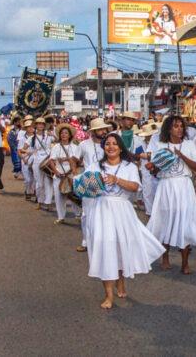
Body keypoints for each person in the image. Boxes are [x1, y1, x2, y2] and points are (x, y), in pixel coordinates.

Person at [80, 133, 165, 309]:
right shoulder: (95, 165)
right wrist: (87, 185)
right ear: (104, 148)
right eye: (107, 144)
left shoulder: (129, 166)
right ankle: (108, 295)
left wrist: (116, 179)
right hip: (101, 210)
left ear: (120, 147)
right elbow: (84, 187)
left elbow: (135, 187)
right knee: (105, 248)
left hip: (122, 210)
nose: (110, 147)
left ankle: (121, 281)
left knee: (119, 247)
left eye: (114, 144)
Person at [146, 115, 196, 274]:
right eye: (175, 126)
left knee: (185, 224)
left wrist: (181, 156)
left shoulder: (189, 144)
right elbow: (154, 172)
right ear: (168, 129)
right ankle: (165, 258)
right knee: (165, 222)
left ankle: (185, 263)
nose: (179, 129)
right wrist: (162, 160)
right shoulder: (160, 145)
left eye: (181, 126)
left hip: (184, 187)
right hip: (166, 186)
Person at [76, 118, 110, 252]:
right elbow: (74, 159)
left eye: (104, 129)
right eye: (100, 129)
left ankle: (104, 241)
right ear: (94, 131)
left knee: (106, 213)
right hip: (89, 182)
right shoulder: (84, 144)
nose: (103, 132)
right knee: (86, 214)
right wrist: (75, 174)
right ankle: (85, 241)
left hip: (107, 182)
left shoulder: (109, 143)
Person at [50, 122, 81, 225]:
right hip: (59, 175)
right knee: (58, 197)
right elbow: (51, 161)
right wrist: (56, 172)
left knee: (73, 195)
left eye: (66, 133)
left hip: (71, 174)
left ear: (69, 135)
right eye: (62, 133)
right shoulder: (56, 147)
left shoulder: (75, 147)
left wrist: (68, 159)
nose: (64, 135)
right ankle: (61, 217)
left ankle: (78, 214)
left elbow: (78, 161)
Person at [29, 118, 54, 210]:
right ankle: (40, 201)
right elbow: (24, 149)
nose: (40, 125)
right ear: (36, 125)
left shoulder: (48, 135)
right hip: (37, 162)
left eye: (42, 124)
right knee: (39, 183)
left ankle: (48, 202)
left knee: (48, 182)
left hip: (47, 161)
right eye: (38, 124)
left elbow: (59, 142)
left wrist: (53, 136)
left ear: (44, 126)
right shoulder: (32, 138)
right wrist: (30, 152)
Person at [133, 123, 158, 215]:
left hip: (156, 170)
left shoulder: (157, 143)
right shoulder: (140, 144)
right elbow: (138, 156)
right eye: (147, 136)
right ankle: (149, 212)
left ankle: (156, 211)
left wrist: (148, 156)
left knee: (157, 191)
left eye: (150, 135)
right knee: (147, 191)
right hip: (145, 170)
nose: (149, 137)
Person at [17, 119, 35, 200]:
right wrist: (23, 159)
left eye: (32, 127)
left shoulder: (36, 137)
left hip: (34, 158)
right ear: (26, 128)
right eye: (29, 127)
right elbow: (19, 151)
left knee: (34, 178)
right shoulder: (22, 138)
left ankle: (33, 192)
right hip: (25, 158)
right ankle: (28, 191)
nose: (31, 128)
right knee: (28, 179)